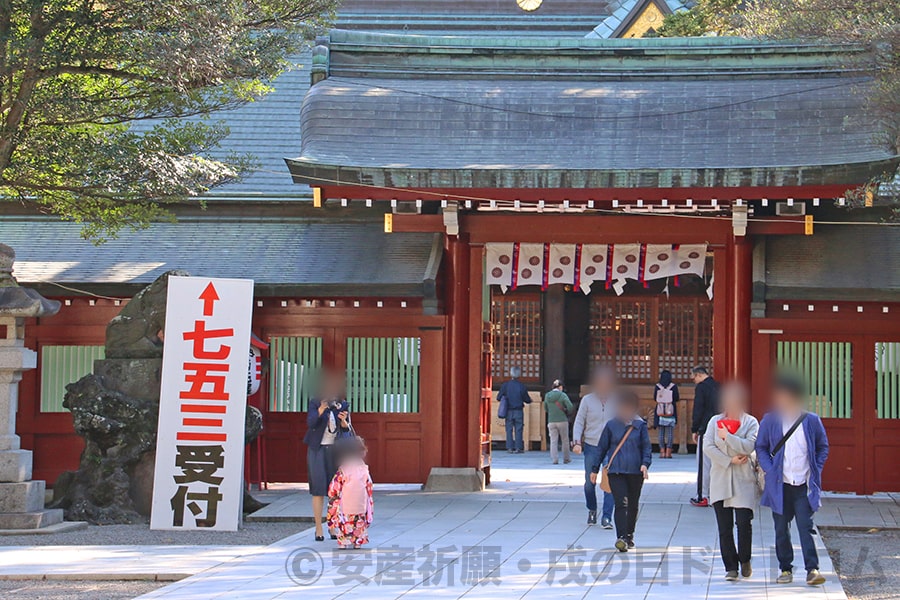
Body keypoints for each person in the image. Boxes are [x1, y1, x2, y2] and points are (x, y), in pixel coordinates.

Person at [756, 374, 829, 586]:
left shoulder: (811, 420)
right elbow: (760, 447)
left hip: (804, 485)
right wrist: (769, 469)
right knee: (781, 528)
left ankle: (812, 569)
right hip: (780, 484)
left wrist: (817, 467)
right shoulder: (770, 420)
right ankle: (785, 568)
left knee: (806, 527)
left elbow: (823, 447)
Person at [704, 382, 760, 582]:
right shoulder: (714, 421)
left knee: (744, 523)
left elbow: (749, 446)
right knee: (724, 527)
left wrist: (728, 437)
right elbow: (708, 447)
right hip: (720, 478)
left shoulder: (751, 422)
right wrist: (729, 460)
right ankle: (730, 567)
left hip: (743, 479)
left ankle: (745, 559)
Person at [590, 391, 651, 552]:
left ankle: (630, 535)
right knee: (621, 503)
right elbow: (602, 448)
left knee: (633, 504)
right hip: (616, 470)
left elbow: (646, 448)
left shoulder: (640, 426)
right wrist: (594, 468)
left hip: (635, 472)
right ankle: (621, 537)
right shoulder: (611, 425)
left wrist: (645, 464)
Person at [303, 372, 350, 541]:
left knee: (334, 491)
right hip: (317, 450)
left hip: (335, 451)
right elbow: (310, 423)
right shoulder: (315, 403)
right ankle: (318, 528)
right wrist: (321, 410)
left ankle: (333, 527)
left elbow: (346, 431)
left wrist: (344, 422)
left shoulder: (341, 405)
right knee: (318, 490)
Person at [573, 366, 618, 528]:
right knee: (589, 482)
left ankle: (607, 517)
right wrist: (577, 441)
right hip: (592, 445)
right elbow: (579, 421)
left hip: (610, 446)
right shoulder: (587, 400)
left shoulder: (616, 399)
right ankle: (592, 508)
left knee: (609, 481)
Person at [327, 437, 374, 549]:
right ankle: (357, 541)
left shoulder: (344, 468)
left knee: (346, 522)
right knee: (359, 522)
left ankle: (344, 541)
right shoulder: (363, 468)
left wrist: (334, 496)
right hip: (360, 501)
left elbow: (335, 486)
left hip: (346, 502)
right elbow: (369, 484)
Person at [690, 366, 719, 507]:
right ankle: (716, 495)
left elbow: (698, 408)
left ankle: (703, 495)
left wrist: (695, 428)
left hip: (706, 428)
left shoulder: (701, 388)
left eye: (693, 377)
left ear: (699, 375)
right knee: (717, 463)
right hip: (720, 429)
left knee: (704, 464)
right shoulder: (719, 386)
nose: (694, 380)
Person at [499, 366, 532, 453]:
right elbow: (527, 399)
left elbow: (498, 397)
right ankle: (518, 448)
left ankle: (509, 447)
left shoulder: (505, 385)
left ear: (511, 374)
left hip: (508, 410)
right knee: (519, 429)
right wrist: (529, 400)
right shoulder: (521, 386)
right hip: (518, 410)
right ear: (519, 375)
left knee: (509, 429)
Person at [544, 379, 573, 465]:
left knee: (553, 440)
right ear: (560, 387)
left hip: (551, 420)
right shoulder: (563, 395)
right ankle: (566, 458)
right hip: (562, 420)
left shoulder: (547, 395)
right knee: (565, 440)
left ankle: (555, 459)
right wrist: (567, 411)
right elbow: (570, 406)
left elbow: (545, 408)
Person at [652, 369, 679, 459]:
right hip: (670, 411)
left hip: (660, 411)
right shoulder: (673, 386)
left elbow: (655, 398)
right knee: (670, 432)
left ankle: (662, 451)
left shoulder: (657, 386)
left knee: (661, 432)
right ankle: (668, 452)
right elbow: (676, 397)